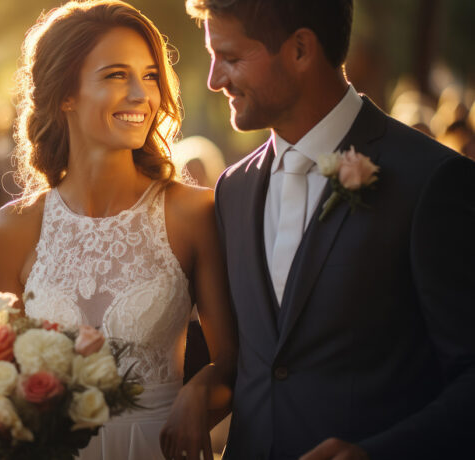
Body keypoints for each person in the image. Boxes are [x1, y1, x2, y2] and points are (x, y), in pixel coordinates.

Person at [182, 0, 475, 459]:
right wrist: (206, 383)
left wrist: (378, 453)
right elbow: (251, 355)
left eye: (232, 58)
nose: (215, 79)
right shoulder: (231, 191)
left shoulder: (431, 181)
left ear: (300, 49)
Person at [0, 1, 237, 459]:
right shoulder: (14, 227)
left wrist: (196, 399)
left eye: (150, 76)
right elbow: (8, 378)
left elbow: (236, 365)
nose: (142, 95)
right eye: (116, 75)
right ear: (66, 93)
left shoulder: (192, 212)